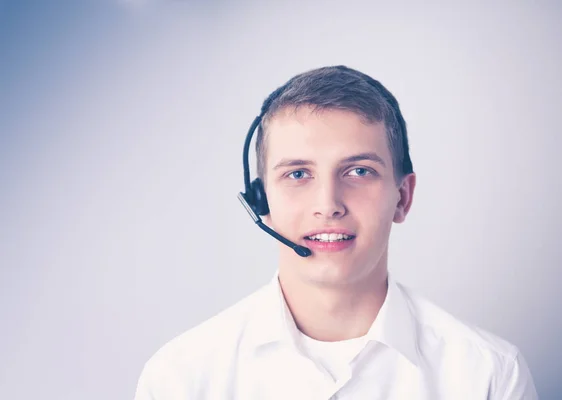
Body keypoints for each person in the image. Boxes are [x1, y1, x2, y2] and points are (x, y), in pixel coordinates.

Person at [133, 65, 539, 399]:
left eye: (359, 171)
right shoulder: (180, 379)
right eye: (297, 174)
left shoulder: (489, 376)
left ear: (402, 197)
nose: (328, 203)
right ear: (261, 202)